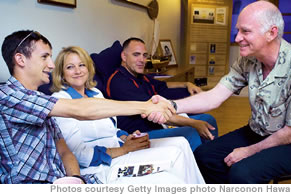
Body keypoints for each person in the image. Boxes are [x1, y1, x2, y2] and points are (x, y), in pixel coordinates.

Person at [0, 30, 174, 184]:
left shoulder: (42, 102)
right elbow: (82, 110)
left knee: (170, 173)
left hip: (68, 181)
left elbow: (65, 152)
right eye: (44, 57)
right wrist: (145, 107)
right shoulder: (8, 96)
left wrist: (77, 181)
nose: (51, 65)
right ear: (20, 59)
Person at [156, 1, 291, 183]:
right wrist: (170, 106)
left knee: (242, 172)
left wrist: (249, 151)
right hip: (257, 131)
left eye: (245, 31)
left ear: (271, 33)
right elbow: (214, 96)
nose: (237, 37)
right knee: (204, 156)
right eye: (238, 30)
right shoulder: (248, 61)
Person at [50, 46, 205, 184]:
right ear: (62, 74)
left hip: (120, 148)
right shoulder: (61, 102)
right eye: (70, 67)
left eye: (82, 65)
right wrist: (124, 150)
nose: (78, 71)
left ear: (88, 68)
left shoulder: (95, 93)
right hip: (101, 165)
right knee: (174, 156)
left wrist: (127, 137)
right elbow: (80, 156)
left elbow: (112, 128)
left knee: (181, 143)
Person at [106, 37, 218, 151]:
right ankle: (198, 165)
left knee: (208, 119)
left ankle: (208, 159)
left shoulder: (140, 76)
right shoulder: (119, 82)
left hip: (158, 124)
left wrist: (186, 84)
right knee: (191, 132)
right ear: (124, 56)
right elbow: (156, 111)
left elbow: (162, 85)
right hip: (141, 133)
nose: (142, 60)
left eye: (144, 55)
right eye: (136, 55)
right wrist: (193, 123)